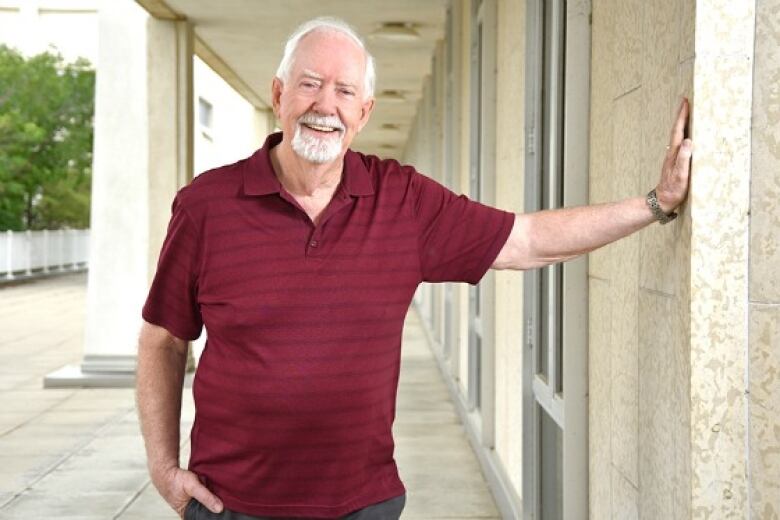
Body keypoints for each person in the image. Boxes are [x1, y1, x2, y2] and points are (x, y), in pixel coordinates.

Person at [136, 17, 692, 520]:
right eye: (310, 83)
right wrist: (164, 468)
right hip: (231, 505)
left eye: (345, 90)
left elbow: (528, 240)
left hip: (363, 506)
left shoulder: (401, 200)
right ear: (279, 94)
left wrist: (655, 202)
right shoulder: (206, 205)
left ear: (364, 112)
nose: (325, 105)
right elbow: (163, 340)